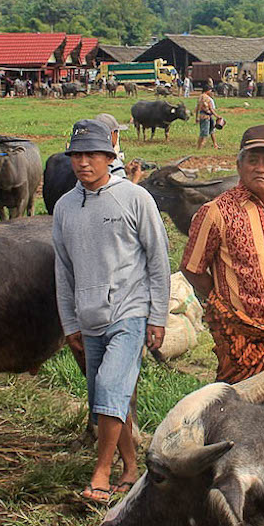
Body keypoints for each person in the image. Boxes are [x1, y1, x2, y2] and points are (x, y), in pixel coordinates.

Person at [53, 119, 170, 502]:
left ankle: (100, 473)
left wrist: (156, 316)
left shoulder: (135, 199)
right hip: (88, 318)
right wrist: (70, 322)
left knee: (109, 388)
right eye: (77, 155)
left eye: (92, 155)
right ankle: (131, 466)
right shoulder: (65, 208)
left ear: (109, 156)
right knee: (109, 397)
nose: (83, 163)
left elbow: (158, 260)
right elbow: (64, 271)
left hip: (129, 310)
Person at [181, 125, 264, 412]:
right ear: (239, 165)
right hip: (243, 336)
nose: (260, 168)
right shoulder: (216, 212)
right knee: (243, 415)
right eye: (252, 160)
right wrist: (223, 300)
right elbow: (191, 268)